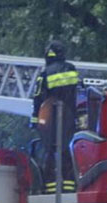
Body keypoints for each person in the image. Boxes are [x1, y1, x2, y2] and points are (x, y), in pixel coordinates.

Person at [31, 40, 82, 194]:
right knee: (66, 152)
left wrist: (35, 122)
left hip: (50, 120)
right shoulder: (72, 70)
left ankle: (49, 186)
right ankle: (69, 185)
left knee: (50, 152)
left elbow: (38, 99)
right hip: (69, 119)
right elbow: (78, 93)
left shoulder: (45, 74)